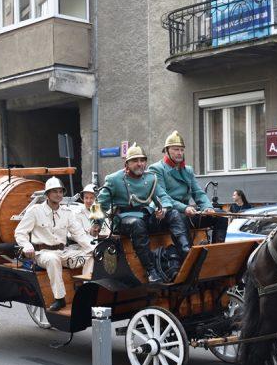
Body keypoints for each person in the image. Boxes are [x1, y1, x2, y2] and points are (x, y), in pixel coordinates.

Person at [96, 144, 191, 283]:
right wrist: (95, 223)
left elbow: (164, 198)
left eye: (142, 160)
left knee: (174, 214)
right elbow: (99, 204)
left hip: (146, 217)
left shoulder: (150, 178)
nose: (140, 164)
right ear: (126, 163)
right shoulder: (114, 179)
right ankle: (151, 270)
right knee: (137, 224)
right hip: (123, 219)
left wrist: (162, 209)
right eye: (135, 161)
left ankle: (186, 254)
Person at [14, 177, 94, 311]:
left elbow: (79, 234)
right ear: (47, 194)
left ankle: (85, 290)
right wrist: (27, 246)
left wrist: (92, 248)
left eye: (61, 191)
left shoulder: (67, 213)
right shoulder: (35, 211)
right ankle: (60, 298)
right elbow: (20, 232)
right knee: (52, 259)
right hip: (42, 254)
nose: (58, 194)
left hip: (63, 253)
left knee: (91, 254)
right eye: (55, 191)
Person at [149, 131, 228, 243]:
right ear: (166, 151)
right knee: (180, 218)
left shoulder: (188, 170)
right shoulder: (156, 169)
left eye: (181, 149)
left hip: (186, 212)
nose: (180, 153)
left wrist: (207, 207)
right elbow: (163, 197)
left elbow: (198, 192)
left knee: (220, 215)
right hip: (166, 214)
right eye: (176, 149)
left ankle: (216, 252)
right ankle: (188, 254)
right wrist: (184, 208)